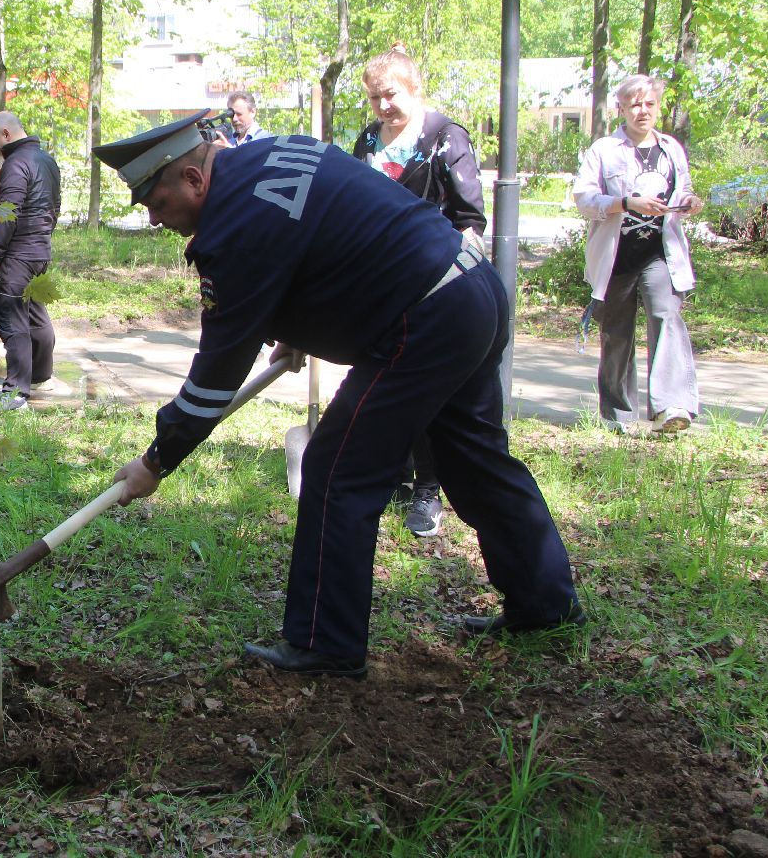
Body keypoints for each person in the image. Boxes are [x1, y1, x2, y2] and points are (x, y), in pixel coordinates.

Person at [94, 112, 583, 680]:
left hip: (423, 316)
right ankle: (546, 602)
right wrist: (295, 328)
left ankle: (325, 644)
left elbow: (216, 374)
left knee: (336, 470)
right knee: (474, 459)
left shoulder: (233, 226)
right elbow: (328, 234)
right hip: (471, 288)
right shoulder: (270, 154)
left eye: (157, 203)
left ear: (194, 181)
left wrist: (158, 459)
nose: (156, 220)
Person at [351, 44, 487, 537]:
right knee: (384, 379)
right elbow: (352, 199)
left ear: (413, 89)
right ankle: (395, 475)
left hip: (435, 283)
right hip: (380, 281)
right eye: (374, 98)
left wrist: (448, 273)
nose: (383, 106)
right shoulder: (368, 139)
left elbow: (470, 218)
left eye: (389, 95)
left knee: (426, 388)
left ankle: (429, 490)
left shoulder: (444, 137)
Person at [573, 75, 704, 435]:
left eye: (649, 104)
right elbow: (583, 199)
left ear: (657, 106)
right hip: (615, 257)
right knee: (617, 334)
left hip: (661, 253)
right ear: (622, 109)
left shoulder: (671, 149)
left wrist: (688, 203)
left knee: (666, 316)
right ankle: (618, 414)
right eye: (634, 104)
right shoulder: (604, 150)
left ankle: (671, 407)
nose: (642, 111)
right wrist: (626, 203)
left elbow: (684, 188)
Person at [0, 110, 62, 410]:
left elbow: (7, 213)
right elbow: (55, 206)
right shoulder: (47, 161)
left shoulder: (15, 164)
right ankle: (41, 375)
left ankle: (16, 394)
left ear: (6, 135)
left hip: (17, 254)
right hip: (40, 251)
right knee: (36, 314)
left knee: (13, 319)